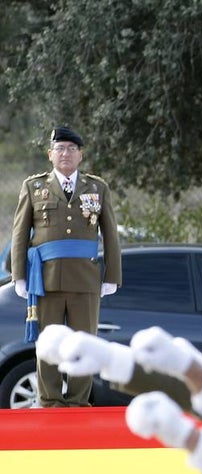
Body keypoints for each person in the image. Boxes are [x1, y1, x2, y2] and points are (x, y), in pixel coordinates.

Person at [11, 126, 121, 407]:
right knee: (48, 346)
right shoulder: (34, 187)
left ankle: (78, 403)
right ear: (50, 155)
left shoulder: (97, 188)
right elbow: (20, 234)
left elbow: (110, 234)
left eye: (72, 149)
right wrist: (19, 276)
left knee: (84, 344)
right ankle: (49, 402)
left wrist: (112, 276)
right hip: (46, 280)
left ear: (80, 155)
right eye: (60, 148)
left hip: (85, 281)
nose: (66, 154)